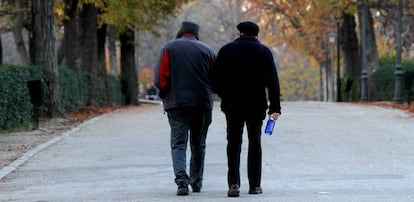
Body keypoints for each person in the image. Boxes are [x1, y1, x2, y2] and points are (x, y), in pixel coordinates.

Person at [210, 21, 281, 197]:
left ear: (239, 33)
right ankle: (255, 185)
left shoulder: (226, 50)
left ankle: (233, 183)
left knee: (233, 143)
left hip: (233, 104)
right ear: (257, 35)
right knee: (255, 142)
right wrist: (275, 106)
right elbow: (273, 81)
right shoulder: (264, 52)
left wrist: (225, 94)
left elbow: (214, 80)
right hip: (256, 104)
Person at [154, 21, 217, 196]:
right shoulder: (208, 51)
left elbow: (160, 78)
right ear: (196, 34)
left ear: (181, 32)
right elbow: (217, 80)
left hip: (176, 104)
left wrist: (165, 93)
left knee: (179, 143)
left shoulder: (169, 48)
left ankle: (182, 181)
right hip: (202, 104)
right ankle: (196, 183)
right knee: (199, 143)